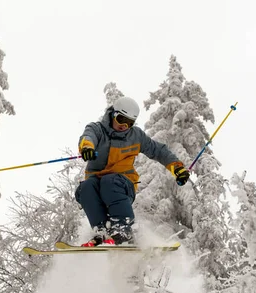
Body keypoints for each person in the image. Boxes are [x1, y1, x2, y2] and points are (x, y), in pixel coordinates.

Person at [75, 96, 190, 246]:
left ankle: (123, 229)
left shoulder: (135, 136)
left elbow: (159, 150)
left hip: (122, 184)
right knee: (85, 188)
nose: (124, 126)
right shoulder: (97, 129)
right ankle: (101, 232)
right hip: (96, 184)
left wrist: (177, 167)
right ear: (113, 114)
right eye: (122, 119)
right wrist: (87, 147)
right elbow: (88, 137)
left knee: (109, 181)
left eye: (130, 123)